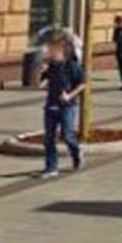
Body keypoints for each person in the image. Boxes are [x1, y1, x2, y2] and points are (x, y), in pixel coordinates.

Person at [40, 35, 86, 178]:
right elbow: (40, 83)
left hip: (68, 106)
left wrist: (69, 96)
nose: (50, 52)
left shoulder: (72, 66)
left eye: (53, 50)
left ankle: (76, 152)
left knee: (67, 135)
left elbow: (82, 84)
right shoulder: (51, 66)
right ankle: (51, 167)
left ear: (62, 51)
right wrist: (42, 71)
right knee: (49, 137)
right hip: (51, 104)